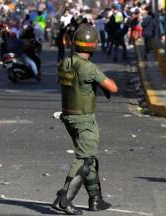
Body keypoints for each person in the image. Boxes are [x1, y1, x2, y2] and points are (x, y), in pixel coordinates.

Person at [52, 25, 117, 215]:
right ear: (92, 46)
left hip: (69, 117)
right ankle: (63, 200)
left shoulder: (66, 62)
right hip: (84, 119)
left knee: (90, 159)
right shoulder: (87, 67)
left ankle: (95, 199)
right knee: (84, 160)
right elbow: (112, 88)